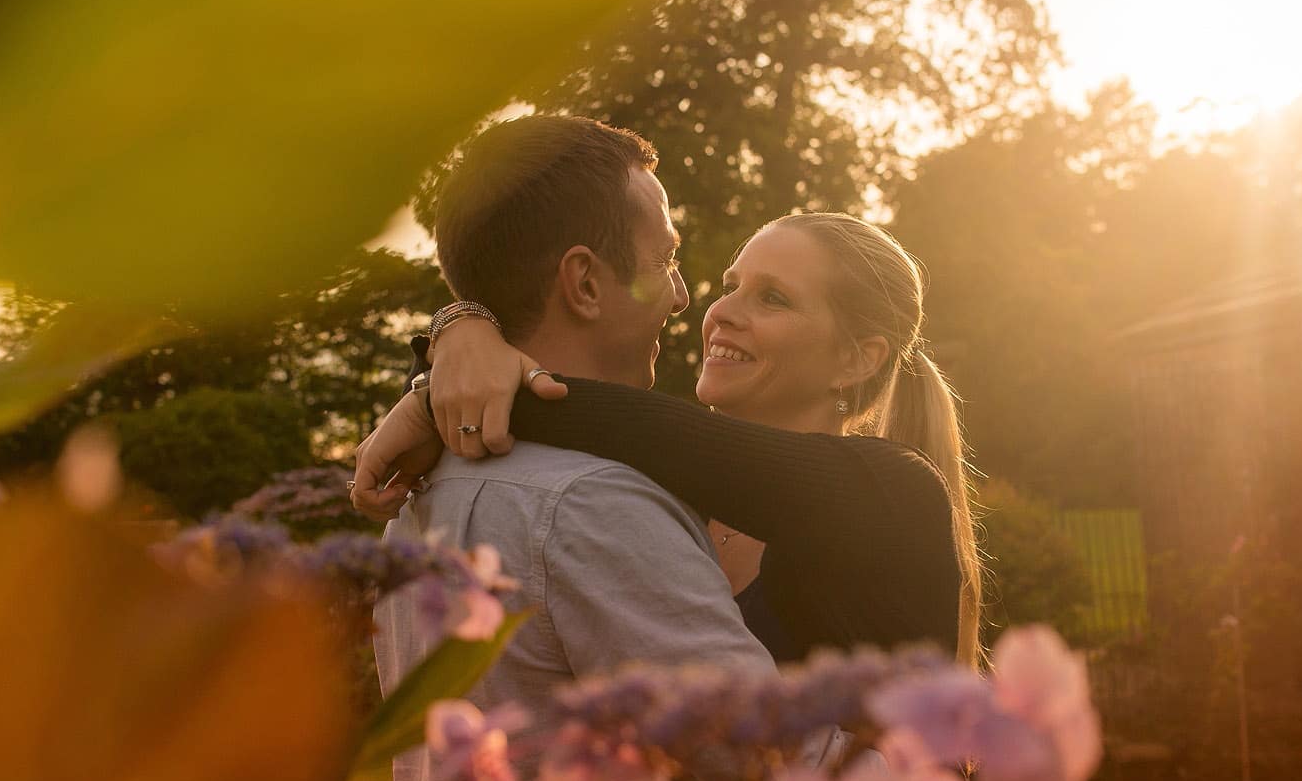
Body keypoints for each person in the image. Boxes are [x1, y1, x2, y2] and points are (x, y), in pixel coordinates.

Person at [371, 115, 775, 781]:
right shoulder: (592, 506)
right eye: (667, 260)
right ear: (585, 283)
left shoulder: (424, 490)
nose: (682, 297)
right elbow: (759, 762)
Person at [355, 210, 981, 668]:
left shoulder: (895, 492)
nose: (723, 311)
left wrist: (445, 367)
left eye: (773, 298)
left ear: (856, 360)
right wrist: (456, 338)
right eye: (732, 284)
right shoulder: (653, 480)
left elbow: (616, 417)